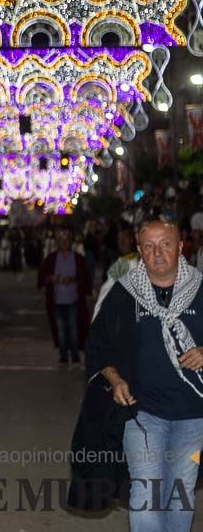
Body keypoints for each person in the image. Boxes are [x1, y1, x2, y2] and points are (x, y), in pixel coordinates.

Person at [78, 220, 203, 528]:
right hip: (142, 414)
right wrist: (115, 378)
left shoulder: (201, 289)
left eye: (165, 244)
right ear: (138, 251)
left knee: (180, 494)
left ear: (180, 247)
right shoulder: (124, 294)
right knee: (145, 495)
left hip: (193, 417)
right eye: (148, 246)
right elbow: (97, 345)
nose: (157, 253)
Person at [39, 227, 92, 365]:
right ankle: (63, 354)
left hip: (73, 299)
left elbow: (84, 277)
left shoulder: (77, 258)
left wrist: (73, 280)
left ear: (70, 242)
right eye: (61, 240)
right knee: (61, 329)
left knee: (73, 328)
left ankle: (74, 355)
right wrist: (51, 279)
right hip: (57, 300)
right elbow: (43, 276)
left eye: (66, 240)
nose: (64, 243)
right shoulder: (51, 258)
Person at [95, 226, 140, 319]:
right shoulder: (120, 264)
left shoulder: (143, 260)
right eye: (119, 239)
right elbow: (106, 290)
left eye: (125, 238)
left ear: (132, 240)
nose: (121, 242)